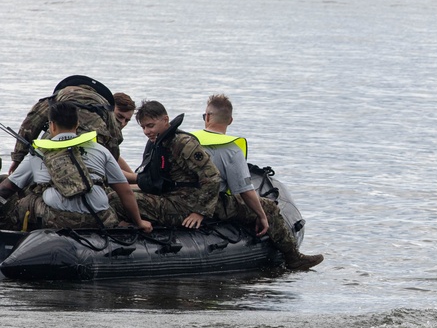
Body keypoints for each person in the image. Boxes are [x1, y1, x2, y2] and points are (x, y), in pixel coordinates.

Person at [190, 94, 323, 271]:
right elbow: (245, 190)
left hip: (179, 200)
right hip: (212, 205)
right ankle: (293, 257)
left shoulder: (187, 140)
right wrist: (261, 214)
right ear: (230, 120)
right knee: (269, 207)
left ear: (207, 117)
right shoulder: (231, 149)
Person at [0, 101, 151, 232]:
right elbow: (125, 191)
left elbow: (7, 188)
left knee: (26, 200)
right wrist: (139, 222)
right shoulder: (100, 150)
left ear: (52, 126)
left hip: (58, 219)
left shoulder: (37, 153)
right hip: (99, 218)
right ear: (77, 124)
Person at [122, 100, 221, 228]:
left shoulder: (183, 143)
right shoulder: (156, 142)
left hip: (184, 205)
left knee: (118, 200)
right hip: (166, 197)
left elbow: (213, 177)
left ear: (165, 120)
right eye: (143, 127)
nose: (146, 131)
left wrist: (200, 212)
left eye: (150, 126)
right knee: (117, 195)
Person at [8, 75, 123, 174]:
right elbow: (115, 138)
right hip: (94, 142)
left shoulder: (57, 97)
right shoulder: (105, 106)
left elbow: (30, 125)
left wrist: (18, 159)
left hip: (56, 139)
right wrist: (110, 168)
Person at [113, 92, 138, 182]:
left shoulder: (112, 136)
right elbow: (108, 168)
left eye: (127, 120)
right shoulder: (98, 130)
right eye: (119, 116)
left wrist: (133, 175)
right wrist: (139, 179)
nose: (122, 123)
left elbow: (113, 157)